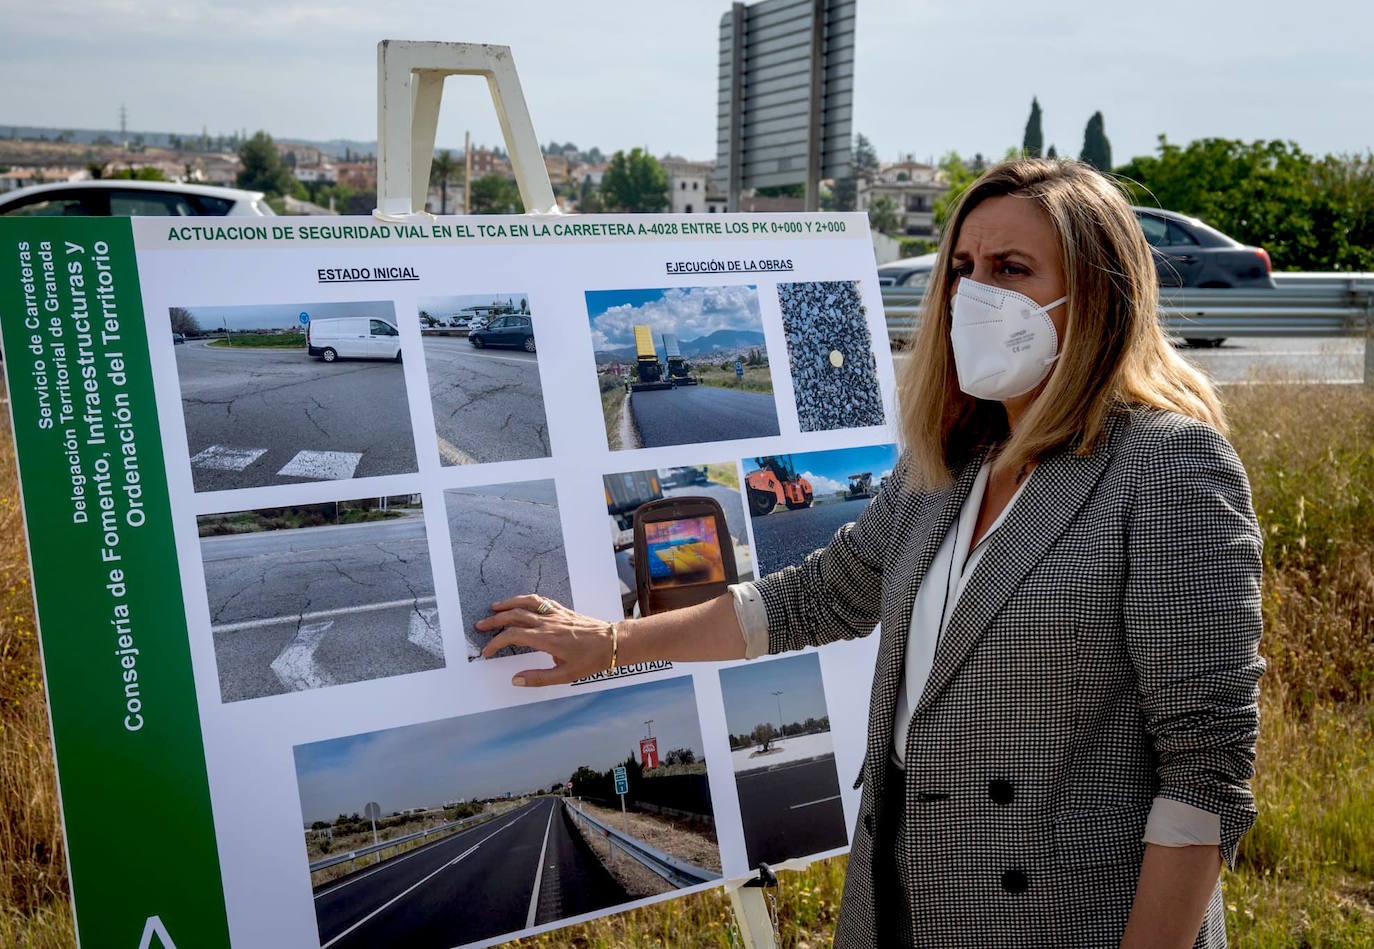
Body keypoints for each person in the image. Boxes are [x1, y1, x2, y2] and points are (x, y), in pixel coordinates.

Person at [475, 159, 1263, 947]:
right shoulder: (952, 461)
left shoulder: (1167, 466)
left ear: (1094, 293)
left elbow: (1204, 772)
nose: (973, 293)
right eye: (961, 268)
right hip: (903, 900)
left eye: (1010, 269)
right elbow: (812, 597)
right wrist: (610, 643)